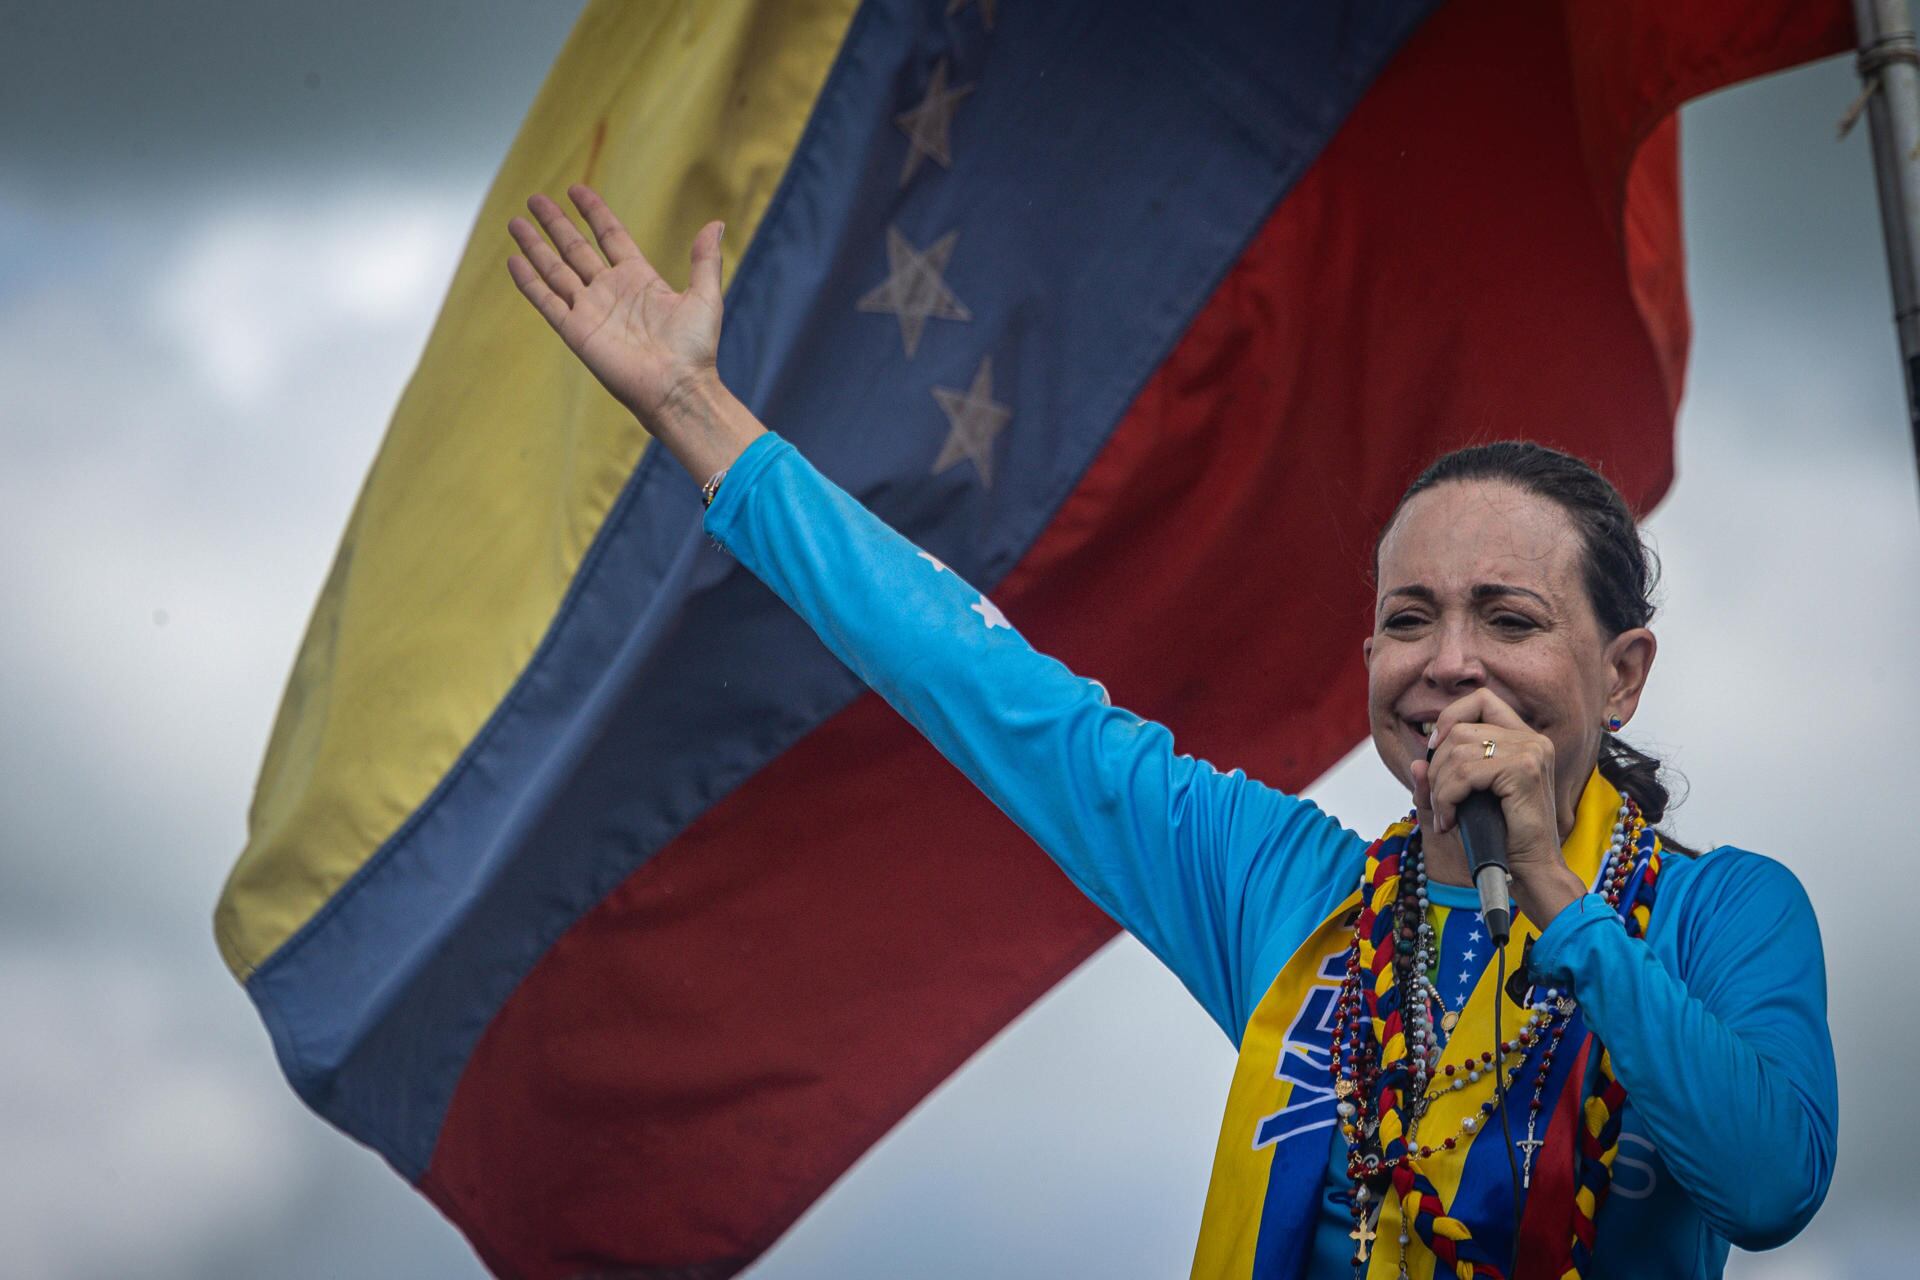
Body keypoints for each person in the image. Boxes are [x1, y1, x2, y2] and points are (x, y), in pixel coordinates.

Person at [505, 185, 1837, 1280]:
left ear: (1623, 675)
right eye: (1408, 619)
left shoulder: (1727, 917)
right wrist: (695, 410)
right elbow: (980, 684)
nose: (1447, 665)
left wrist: (1549, 890)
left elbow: (1771, 1185)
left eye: (1507, 618)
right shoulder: (1283, 890)